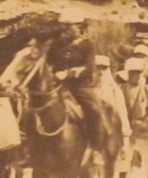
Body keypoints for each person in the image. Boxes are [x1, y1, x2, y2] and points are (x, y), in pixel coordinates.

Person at [50, 20, 120, 158]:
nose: (66, 30)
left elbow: (89, 68)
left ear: (79, 27)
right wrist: (53, 73)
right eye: (64, 26)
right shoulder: (58, 44)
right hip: (58, 85)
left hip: (79, 86)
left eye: (69, 26)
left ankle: (96, 148)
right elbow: (51, 63)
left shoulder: (87, 45)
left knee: (94, 109)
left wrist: (68, 73)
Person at [119, 56, 148, 178]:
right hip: (126, 130)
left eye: (137, 72)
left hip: (144, 130)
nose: (134, 75)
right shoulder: (120, 90)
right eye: (132, 72)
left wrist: (144, 124)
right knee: (123, 159)